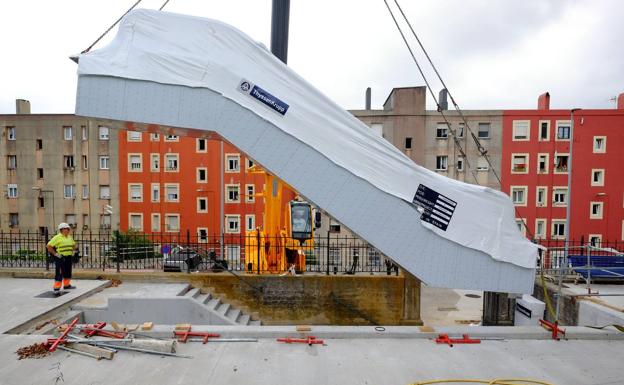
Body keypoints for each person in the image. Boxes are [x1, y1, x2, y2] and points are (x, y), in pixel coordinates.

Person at [46, 223, 78, 294]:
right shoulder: (57, 237)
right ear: (62, 229)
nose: (68, 230)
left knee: (68, 271)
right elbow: (48, 246)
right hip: (60, 258)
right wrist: (55, 254)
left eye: (68, 229)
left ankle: (66, 285)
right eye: (67, 229)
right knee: (59, 273)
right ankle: (56, 288)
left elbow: (74, 244)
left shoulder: (69, 237)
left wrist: (74, 251)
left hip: (68, 257)